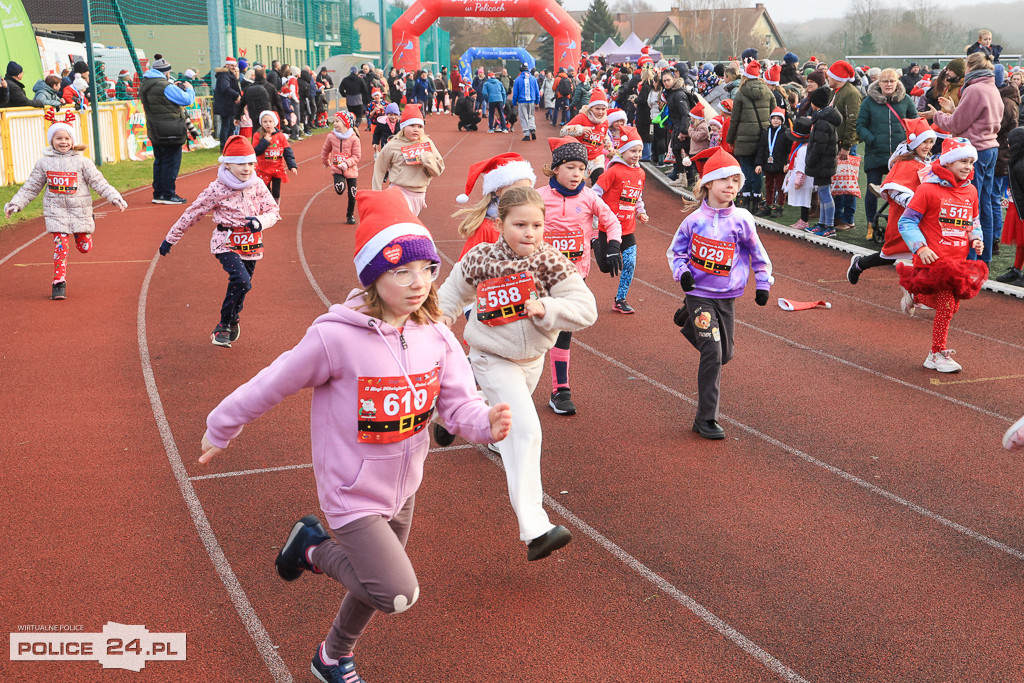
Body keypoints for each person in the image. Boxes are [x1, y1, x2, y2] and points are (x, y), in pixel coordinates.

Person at [200, 187, 511, 682]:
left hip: (404, 488)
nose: (418, 283)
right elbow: (273, 381)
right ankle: (312, 548)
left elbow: (458, 404)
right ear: (372, 276)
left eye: (427, 269)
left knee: (371, 582)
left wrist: (484, 425)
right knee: (395, 591)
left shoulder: (436, 334)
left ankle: (331, 657)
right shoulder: (335, 337)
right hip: (351, 492)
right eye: (400, 271)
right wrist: (223, 425)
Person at [436, 185, 595, 560]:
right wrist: (440, 321)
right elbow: (449, 296)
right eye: (520, 224)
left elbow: (586, 309)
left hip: (531, 361)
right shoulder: (481, 259)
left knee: (502, 435)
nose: (530, 233)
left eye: (537, 225)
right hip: (491, 357)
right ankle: (536, 528)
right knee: (526, 432)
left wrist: (548, 307)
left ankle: (457, 414)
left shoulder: (550, 262)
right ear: (499, 222)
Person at [667, 147, 772, 440]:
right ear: (708, 183)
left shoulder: (742, 219)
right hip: (699, 292)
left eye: (736, 181)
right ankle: (705, 418)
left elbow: (758, 255)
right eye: (725, 179)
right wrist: (683, 273)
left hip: (727, 295)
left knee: (725, 354)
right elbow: (675, 253)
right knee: (712, 352)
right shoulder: (693, 222)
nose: (731, 186)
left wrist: (763, 283)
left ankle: (688, 319)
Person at [157, 135, 281, 347]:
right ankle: (223, 325)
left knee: (243, 286)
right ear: (227, 163)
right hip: (226, 242)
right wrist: (171, 239)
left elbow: (273, 211)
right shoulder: (216, 189)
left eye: (251, 163)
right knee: (241, 280)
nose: (247, 169)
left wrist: (260, 222)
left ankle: (233, 318)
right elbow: (192, 213)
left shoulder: (257, 184)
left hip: (252, 242)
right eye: (241, 164)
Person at [537, 137, 621, 415]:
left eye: (581, 169)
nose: (576, 174)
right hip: (541, 277)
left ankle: (561, 390)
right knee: (533, 330)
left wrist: (613, 245)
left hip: (575, 277)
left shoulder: (589, 197)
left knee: (563, 332)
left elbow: (611, 221)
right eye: (570, 167)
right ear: (555, 168)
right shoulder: (538, 197)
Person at [3, 115, 127, 300]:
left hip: (80, 211)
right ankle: (58, 282)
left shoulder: (82, 162)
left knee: (85, 247)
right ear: (51, 140)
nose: (63, 142)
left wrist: (114, 197)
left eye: (67, 138)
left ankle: (83, 234)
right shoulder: (44, 163)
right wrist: (15, 204)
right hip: (56, 212)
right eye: (59, 138)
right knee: (60, 247)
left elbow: (98, 182)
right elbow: (31, 187)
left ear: (72, 140)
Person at [895, 137, 988, 373]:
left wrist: (976, 239)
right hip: (932, 259)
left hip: (958, 261)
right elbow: (906, 221)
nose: (968, 166)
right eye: (962, 161)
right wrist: (920, 247)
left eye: (970, 161)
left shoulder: (971, 191)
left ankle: (914, 294)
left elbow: (973, 222)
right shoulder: (927, 189)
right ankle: (936, 353)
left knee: (952, 306)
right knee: (947, 305)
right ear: (947, 163)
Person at [926, 53, 1003, 264]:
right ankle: (983, 258)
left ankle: (971, 256)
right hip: (990, 149)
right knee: (984, 202)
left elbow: (956, 125)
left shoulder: (974, 89)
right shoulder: (992, 87)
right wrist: (954, 110)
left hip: (973, 152)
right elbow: (978, 118)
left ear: (969, 67)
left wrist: (938, 116)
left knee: (970, 204)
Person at [848, 118, 936, 284]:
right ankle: (860, 264)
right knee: (889, 255)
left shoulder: (927, 161)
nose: (928, 146)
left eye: (931, 142)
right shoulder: (905, 163)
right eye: (924, 142)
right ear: (914, 142)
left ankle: (918, 292)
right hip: (905, 219)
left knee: (924, 254)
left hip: (923, 219)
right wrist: (915, 204)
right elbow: (894, 189)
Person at [856, 67, 919, 238]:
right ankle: (871, 223)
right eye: (885, 81)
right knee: (872, 189)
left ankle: (896, 225)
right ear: (879, 83)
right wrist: (872, 140)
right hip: (876, 153)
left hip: (900, 156)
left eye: (892, 81)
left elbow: (915, 122)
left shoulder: (905, 100)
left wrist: (909, 143)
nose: (889, 84)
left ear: (897, 82)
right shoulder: (869, 102)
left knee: (899, 191)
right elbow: (860, 125)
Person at [594, 126, 649, 313]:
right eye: (633, 151)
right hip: (608, 227)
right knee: (605, 267)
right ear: (623, 151)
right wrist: (599, 215)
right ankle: (595, 241)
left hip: (628, 228)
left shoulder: (641, 173)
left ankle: (620, 299)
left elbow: (637, 197)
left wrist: (641, 212)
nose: (637, 155)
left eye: (640, 151)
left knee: (630, 262)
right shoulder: (613, 172)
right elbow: (595, 193)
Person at [453, 152, 537, 259]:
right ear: (497, 191)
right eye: (517, 190)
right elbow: (465, 268)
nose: (523, 196)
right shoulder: (486, 228)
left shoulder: (532, 223)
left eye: (528, 190)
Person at [140, 56, 196, 204]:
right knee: (171, 162)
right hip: (171, 128)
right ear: (166, 72)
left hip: (155, 128)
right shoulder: (165, 86)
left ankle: (158, 193)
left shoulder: (147, 84)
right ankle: (168, 194)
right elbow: (187, 100)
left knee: (160, 161)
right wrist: (190, 90)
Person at [371, 104, 444, 215]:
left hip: (419, 194)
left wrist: (427, 159)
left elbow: (438, 171)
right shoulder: (393, 145)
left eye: (419, 126)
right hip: (398, 192)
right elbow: (379, 169)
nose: (416, 130)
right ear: (403, 127)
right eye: (411, 125)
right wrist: (376, 195)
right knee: (402, 223)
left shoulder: (427, 144)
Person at [726, 60, 772, 210]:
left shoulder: (740, 94)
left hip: (743, 138)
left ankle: (745, 200)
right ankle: (757, 199)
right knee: (758, 169)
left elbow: (735, 119)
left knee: (745, 169)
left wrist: (729, 138)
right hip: (762, 139)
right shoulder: (768, 92)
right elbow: (774, 115)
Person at [826, 60, 863, 231]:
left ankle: (848, 218)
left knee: (847, 181)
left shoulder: (850, 93)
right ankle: (838, 216)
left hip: (844, 145)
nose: (827, 78)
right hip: (837, 143)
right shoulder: (838, 91)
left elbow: (853, 121)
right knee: (839, 180)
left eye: (830, 76)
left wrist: (846, 146)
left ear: (837, 77)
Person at [804, 86, 841, 237]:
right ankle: (822, 223)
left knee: (825, 194)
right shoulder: (824, 119)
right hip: (825, 163)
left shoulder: (822, 122)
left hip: (823, 163)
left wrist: (810, 160)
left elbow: (819, 146)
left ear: (816, 103)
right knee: (823, 193)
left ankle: (829, 225)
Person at [560, 89, 611, 184]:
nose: (600, 112)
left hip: (597, 157)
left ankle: (596, 197)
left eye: (603, 109)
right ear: (591, 108)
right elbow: (563, 131)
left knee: (599, 180)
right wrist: (580, 130)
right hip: (580, 157)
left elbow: (605, 136)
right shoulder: (582, 117)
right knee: (579, 183)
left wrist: (611, 150)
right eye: (597, 109)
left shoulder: (605, 122)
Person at [995, 128, 1024, 285]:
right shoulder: (1017, 161)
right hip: (1017, 206)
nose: (1008, 147)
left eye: (1010, 144)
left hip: (1021, 208)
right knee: (1021, 242)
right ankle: (1016, 270)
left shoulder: (1021, 165)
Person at [322, 111, 362, 224]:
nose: (334, 123)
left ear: (345, 123)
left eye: (337, 121)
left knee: (352, 194)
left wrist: (347, 163)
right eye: (334, 121)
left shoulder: (354, 139)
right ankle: (340, 185)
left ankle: (350, 215)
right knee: (340, 189)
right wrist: (325, 161)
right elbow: (326, 150)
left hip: (351, 170)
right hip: (337, 169)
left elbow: (357, 156)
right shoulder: (331, 136)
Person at [754, 107, 792, 219]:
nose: (775, 120)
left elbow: (788, 150)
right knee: (769, 185)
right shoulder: (766, 132)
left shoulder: (785, 133)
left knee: (780, 187)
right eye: (773, 118)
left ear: (782, 120)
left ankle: (779, 207)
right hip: (768, 163)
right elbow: (761, 148)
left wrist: (787, 163)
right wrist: (759, 163)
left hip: (780, 164)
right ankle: (768, 206)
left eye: (778, 119)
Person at [252, 110, 297, 204]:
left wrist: (292, 165)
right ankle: (268, 208)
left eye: (270, 121)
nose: (268, 124)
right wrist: (264, 142)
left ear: (275, 123)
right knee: (266, 191)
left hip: (277, 169)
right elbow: (255, 152)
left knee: (276, 192)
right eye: (265, 122)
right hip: (263, 169)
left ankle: (275, 208)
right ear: (261, 123)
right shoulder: (257, 135)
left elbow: (288, 152)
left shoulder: (280, 136)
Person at [782, 116, 814, 229]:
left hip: (804, 179)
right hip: (802, 176)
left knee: (804, 199)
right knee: (804, 199)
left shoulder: (803, 149)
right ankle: (803, 219)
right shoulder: (801, 146)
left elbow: (801, 167)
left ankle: (804, 220)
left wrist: (798, 180)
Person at [214, 57, 242, 150]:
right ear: (227, 65)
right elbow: (225, 88)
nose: (234, 67)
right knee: (227, 126)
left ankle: (228, 145)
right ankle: (225, 146)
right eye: (232, 65)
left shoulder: (227, 74)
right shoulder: (225, 75)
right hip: (226, 105)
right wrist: (236, 95)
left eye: (235, 66)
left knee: (230, 126)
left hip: (228, 104)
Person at [512, 64, 539, 141]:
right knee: (531, 116)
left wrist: (514, 103)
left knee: (523, 118)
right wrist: (537, 101)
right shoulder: (533, 79)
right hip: (531, 100)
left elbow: (515, 93)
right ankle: (532, 128)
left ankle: (527, 134)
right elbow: (537, 91)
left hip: (522, 101)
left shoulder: (517, 79)